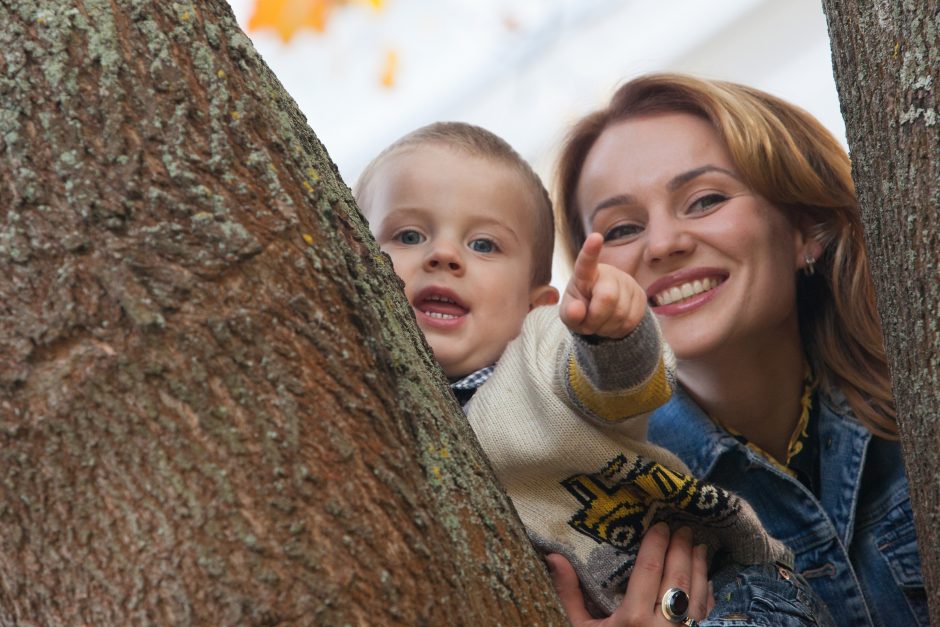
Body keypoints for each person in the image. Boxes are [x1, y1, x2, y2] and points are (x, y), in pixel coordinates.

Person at [355, 121, 832, 625]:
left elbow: (617, 385)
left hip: (730, 592)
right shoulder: (370, 414)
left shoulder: (540, 353)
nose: (443, 255)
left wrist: (611, 332)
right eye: (408, 235)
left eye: (484, 245)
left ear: (535, 302)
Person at [553, 72, 927, 625]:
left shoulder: (919, 393)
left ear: (806, 228)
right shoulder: (598, 521)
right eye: (623, 229)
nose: (663, 244)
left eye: (704, 200)